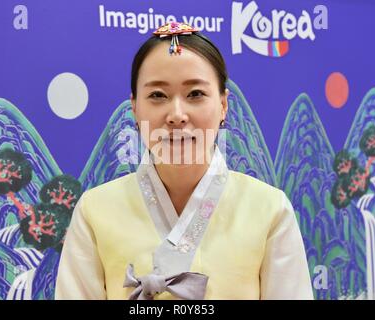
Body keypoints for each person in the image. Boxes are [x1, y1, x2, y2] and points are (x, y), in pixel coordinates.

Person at [55, 22, 313, 300]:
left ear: (224, 105)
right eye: (157, 95)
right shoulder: (95, 211)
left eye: (195, 94)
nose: (177, 114)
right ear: (134, 107)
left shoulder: (270, 209)